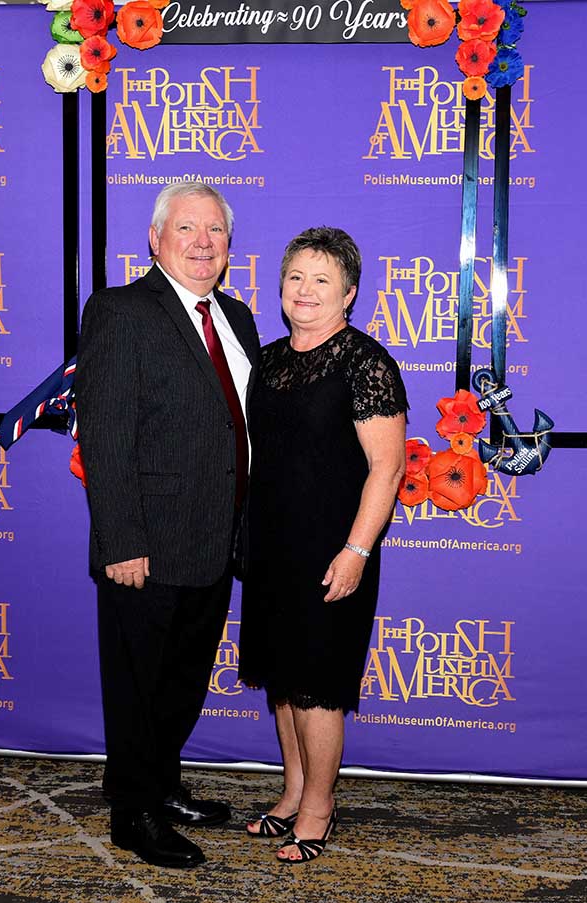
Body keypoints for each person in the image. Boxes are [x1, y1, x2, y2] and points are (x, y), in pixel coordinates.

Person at [75, 182, 260, 869]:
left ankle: (162, 783)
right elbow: (105, 436)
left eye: (216, 230)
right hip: (145, 543)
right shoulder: (120, 311)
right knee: (137, 685)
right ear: (156, 239)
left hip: (215, 539)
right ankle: (134, 812)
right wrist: (121, 540)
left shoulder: (237, 317)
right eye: (187, 228)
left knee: (182, 679)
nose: (203, 242)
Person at [238, 227, 407, 864]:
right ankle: (291, 794)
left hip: (332, 548)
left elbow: (387, 468)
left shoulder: (365, 362)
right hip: (271, 544)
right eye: (295, 278)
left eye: (321, 280)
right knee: (283, 681)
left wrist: (356, 551)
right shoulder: (268, 360)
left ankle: (318, 808)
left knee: (316, 684)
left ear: (349, 293)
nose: (305, 291)